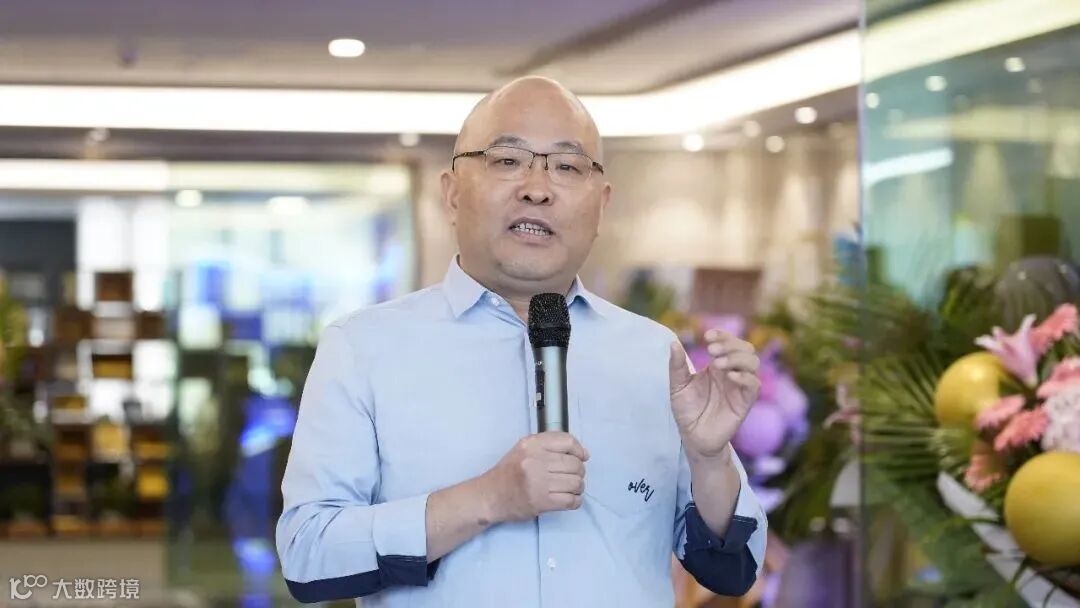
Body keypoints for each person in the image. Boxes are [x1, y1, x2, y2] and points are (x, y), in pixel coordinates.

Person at [275, 76, 768, 607]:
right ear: (452, 193)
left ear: (601, 205)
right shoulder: (363, 347)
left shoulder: (654, 354)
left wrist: (709, 459)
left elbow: (733, 568)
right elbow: (309, 554)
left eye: (567, 166)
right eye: (508, 160)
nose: (537, 188)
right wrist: (488, 498)